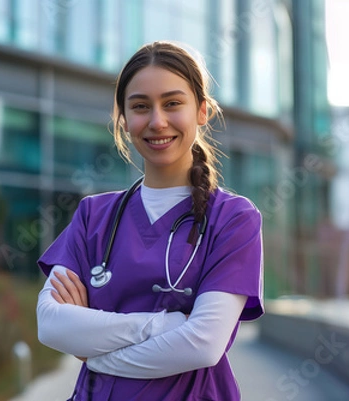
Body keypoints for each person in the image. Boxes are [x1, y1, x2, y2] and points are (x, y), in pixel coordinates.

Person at [36, 41, 263, 401]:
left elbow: (202, 345)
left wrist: (94, 351)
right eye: (141, 106)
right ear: (123, 119)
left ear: (202, 111)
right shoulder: (94, 216)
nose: (157, 121)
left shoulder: (234, 220)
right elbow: (50, 324)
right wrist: (166, 325)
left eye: (172, 103)